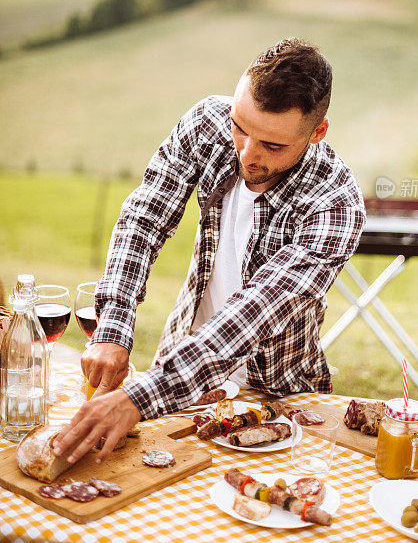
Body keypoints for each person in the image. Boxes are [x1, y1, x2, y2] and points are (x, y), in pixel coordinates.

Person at [54, 37, 365, 465]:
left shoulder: (335, 203)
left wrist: (137, 399)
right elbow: (144, 219)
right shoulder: (207, 122)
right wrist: (113, 327)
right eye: (240, 127)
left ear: (317, 132)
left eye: (272, 146)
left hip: (277, 397)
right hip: (181, 376)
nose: (247, 153)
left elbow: (255, 314)